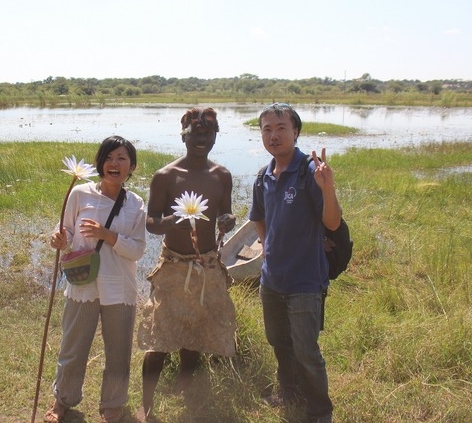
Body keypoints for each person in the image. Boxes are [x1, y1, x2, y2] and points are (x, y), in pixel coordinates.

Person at [136, 107, 237, 422]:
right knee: (159, 338)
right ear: (183, 136)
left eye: (208, 134)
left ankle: (185, 388)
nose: (201, 139)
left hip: (207, 266)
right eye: (195, 134)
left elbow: (225, 213)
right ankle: (146, 405)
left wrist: (228, 221)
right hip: (173, 266)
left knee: (194, 333)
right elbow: (151, 223)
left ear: (216, 136)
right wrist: (173, 220)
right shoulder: (166, 176)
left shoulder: (222, 175)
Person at [249, 103, 342, 423]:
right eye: (267, 129)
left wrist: (328, 189)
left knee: (306, 350)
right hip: (271, 279)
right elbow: (258, 217)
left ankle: (320, 410)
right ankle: (289, 391)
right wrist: (266, 245)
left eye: (281, 128)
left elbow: (332, 223)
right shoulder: (262, 176)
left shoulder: (309, 171)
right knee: (279, 341)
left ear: (296, 131)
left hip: (305, 279)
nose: (273, 135)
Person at [46, 136, 147, 423]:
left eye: (122, 158)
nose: (114, 164)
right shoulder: (80, 193)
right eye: (109, 158)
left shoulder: (136, 204)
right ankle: (63, 400)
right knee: (73, 347)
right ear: (100, 163)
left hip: (120, 287)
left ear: (132, 167)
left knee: (119, 351)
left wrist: (109, 236)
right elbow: (65, 229)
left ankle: (113, 404)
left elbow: (138, 249)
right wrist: (59, 238)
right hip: (83, 284)